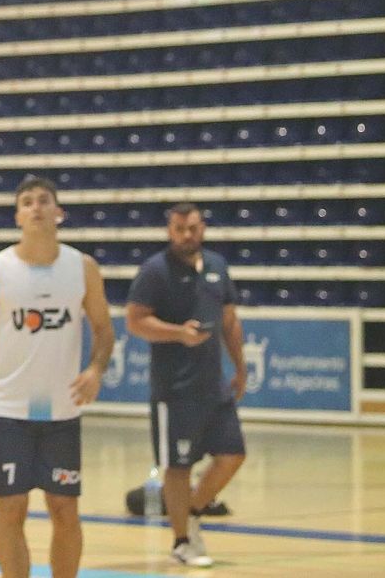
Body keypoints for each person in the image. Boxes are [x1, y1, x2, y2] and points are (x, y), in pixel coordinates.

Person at [0, 175, 115, 578]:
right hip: (7, 408)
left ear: (59, 212)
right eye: (28, 202)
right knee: (11, 508)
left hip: (62, 411)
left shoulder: (83, 267)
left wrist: (95, 369)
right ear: (18, 215)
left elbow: (104, 330)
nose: (36, 207)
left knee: (64, 507)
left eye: (44, 200)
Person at [125, 203, 246, 569]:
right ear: (169, 231)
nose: (187, 235)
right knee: (177, 467)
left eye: (192, 228)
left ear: (202, 228)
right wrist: (178, 334)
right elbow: (135, 321)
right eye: (179, 229)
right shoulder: (155, 271)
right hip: (174, 390)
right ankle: (181, 541)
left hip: (214, 386)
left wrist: (240, 367)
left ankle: (191, 512)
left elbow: (229, 321)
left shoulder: (216, 266)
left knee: (233, 455)